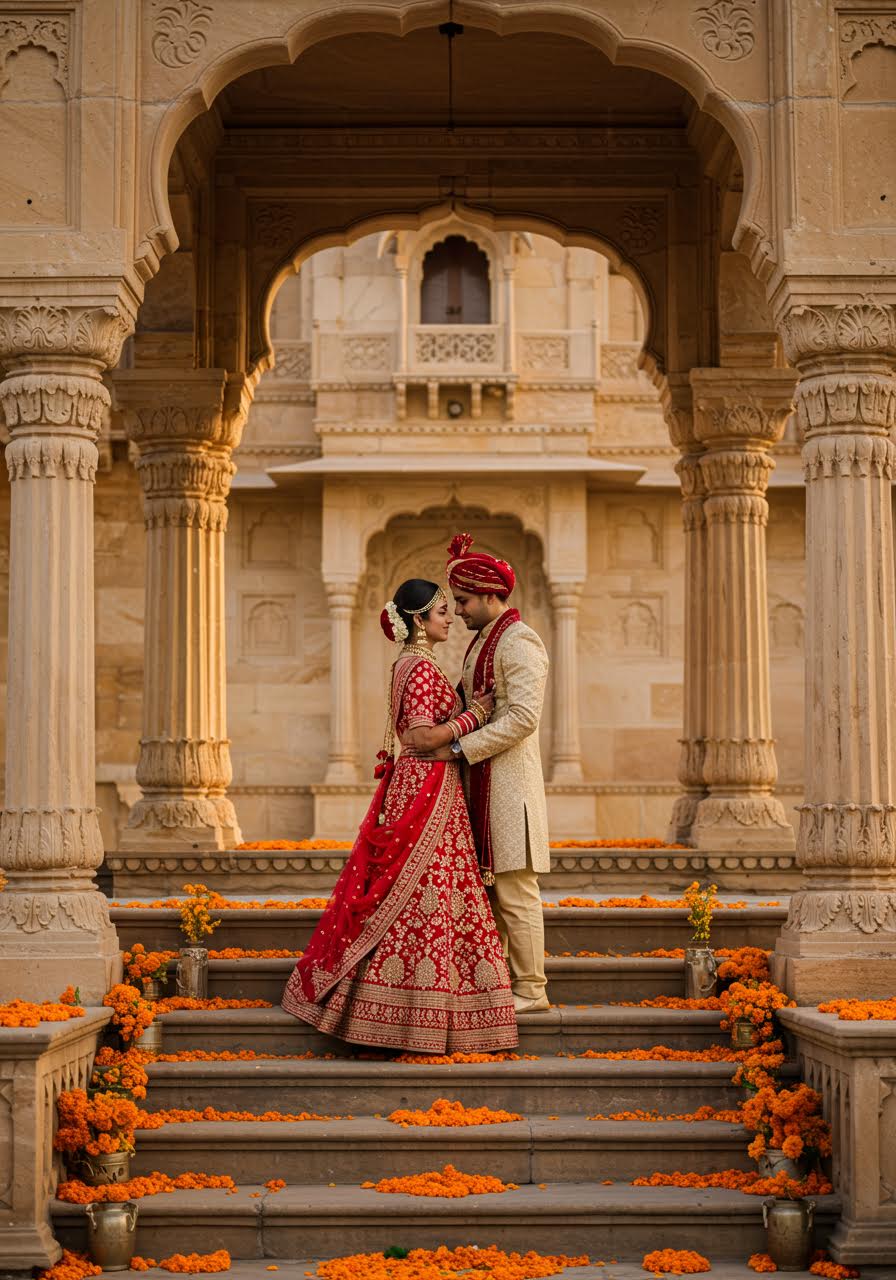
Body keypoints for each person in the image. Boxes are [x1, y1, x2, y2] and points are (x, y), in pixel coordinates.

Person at [281, 578, 519, 1054]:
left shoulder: (413, 664)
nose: (450, 618)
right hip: (426, 787)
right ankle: (406, 1013)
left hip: (426, 785)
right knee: (421, 892)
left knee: (425, 892)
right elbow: (421, 737)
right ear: (417, 620)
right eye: (441, 612)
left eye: (453, 610)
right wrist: (475, 715)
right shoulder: (419, 669)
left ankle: (413, 1009)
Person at [403, 534, 550, 1013]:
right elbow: (480, 706)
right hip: (483, 786)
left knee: (515, 891)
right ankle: (501, 983)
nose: (459, 611)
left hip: (507, 787)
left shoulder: (520, 640)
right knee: (493, 892)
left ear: (490, 595)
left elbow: (524, 718)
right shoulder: (486, 640)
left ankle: (532, 989)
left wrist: (459, 748)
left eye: (464, 601)